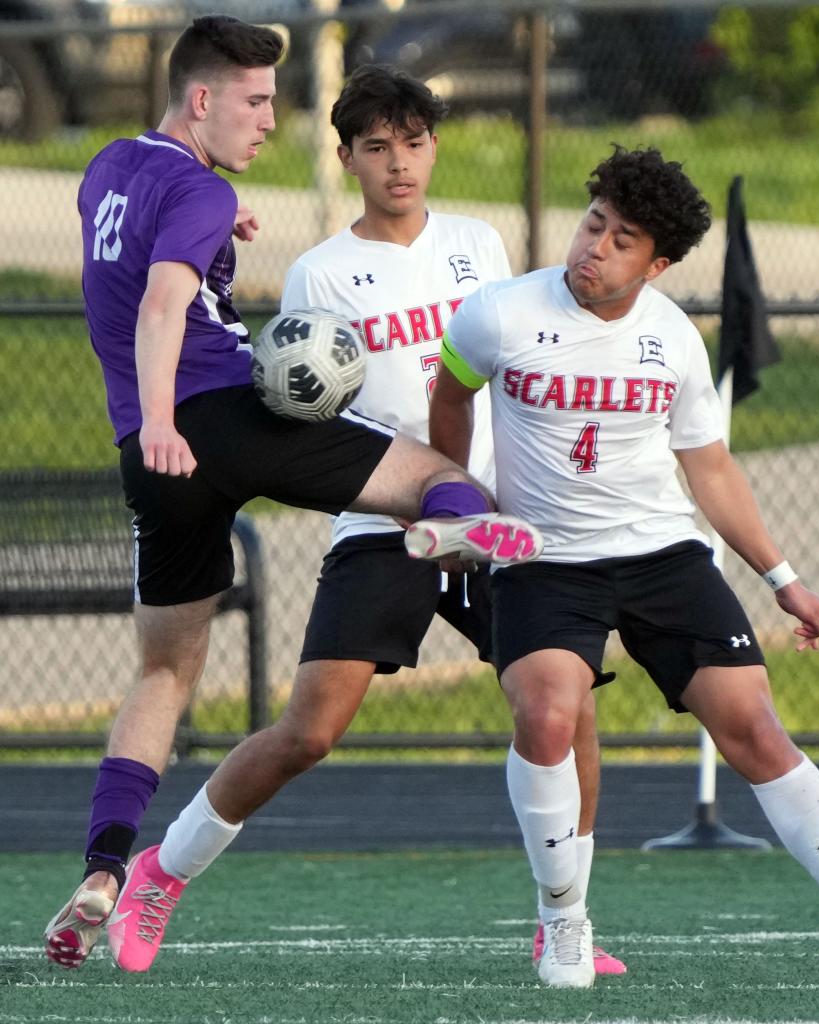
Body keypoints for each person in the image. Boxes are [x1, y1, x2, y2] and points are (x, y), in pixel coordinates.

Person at [44, 22, 542, 970]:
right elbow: (160, 303)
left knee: (164, 674)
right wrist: (167, 410)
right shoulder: (203, 185)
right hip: (224, 418)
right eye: (256, 101)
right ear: (202, 101)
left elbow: (125, 266)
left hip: (149, 465)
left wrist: (207, 252)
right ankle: (444, 538)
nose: (271, 120)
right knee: (443, 479)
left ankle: (106, 869)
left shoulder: (111, 168)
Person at [425, 145, 819, 989]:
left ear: (657, 265)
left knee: (755, 727)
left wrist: (784, 577)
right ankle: (564, 925)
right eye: (593, 224)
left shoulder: (674, 343)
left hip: (663, 556)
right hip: (545, 561)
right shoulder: (498, 314)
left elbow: (712, 470)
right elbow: (449, 396)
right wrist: (460, 505)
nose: (594, 247)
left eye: (622, 241)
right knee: (547, 716)